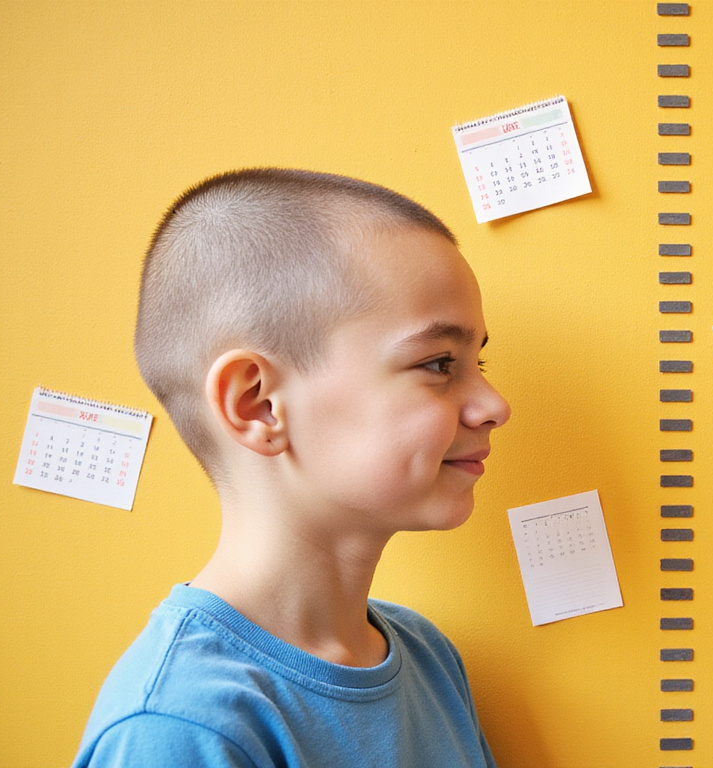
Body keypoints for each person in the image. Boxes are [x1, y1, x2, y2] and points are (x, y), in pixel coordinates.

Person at [72, 168, 511, 767]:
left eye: (481, 362)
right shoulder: (179, 727)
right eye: (439, 364)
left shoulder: (429, 658)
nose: (494, 406)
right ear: (257, 404)